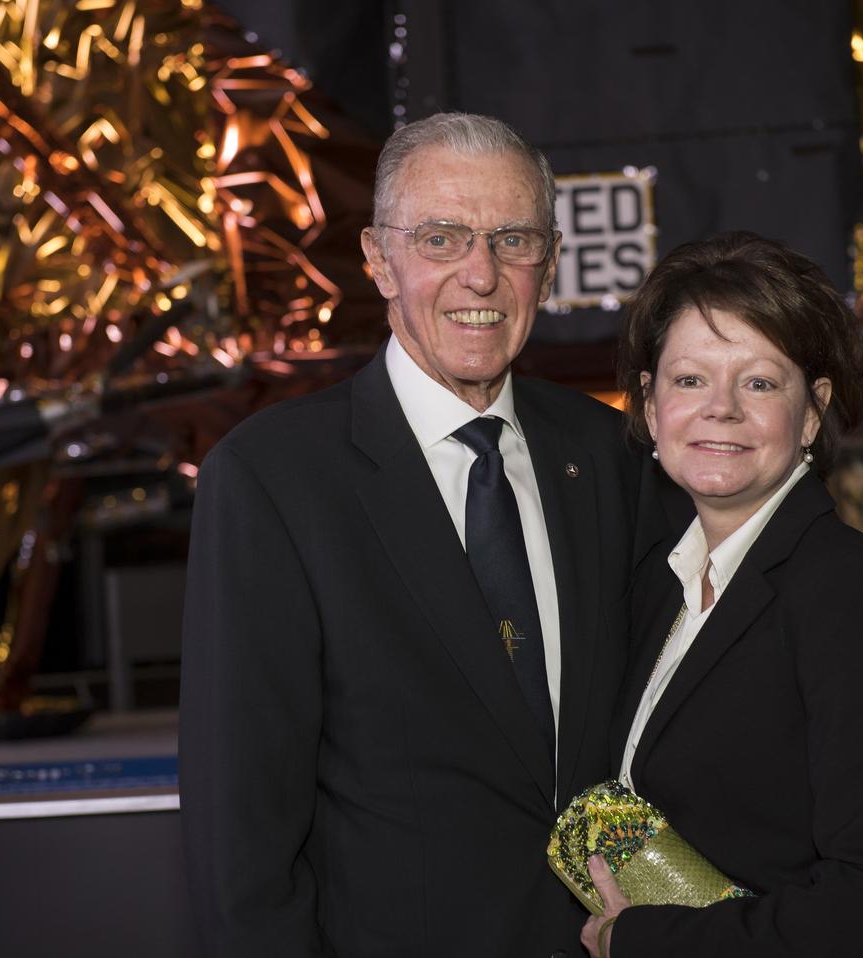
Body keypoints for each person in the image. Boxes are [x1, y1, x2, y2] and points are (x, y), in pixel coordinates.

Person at [180, 113, 670, 956]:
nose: (480, 275)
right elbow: (242, 829)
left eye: (513, 240)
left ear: (548, 264)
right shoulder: (272, 479)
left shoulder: (612, 454)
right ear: (378, 259)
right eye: (441, 239)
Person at [580, 232, 863, 957]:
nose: (720, 408)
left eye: (758, 382)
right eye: (689, 380)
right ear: (652, 407)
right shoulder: (662, 585)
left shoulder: (857, 595)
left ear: (812, 413)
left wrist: (649, 942)